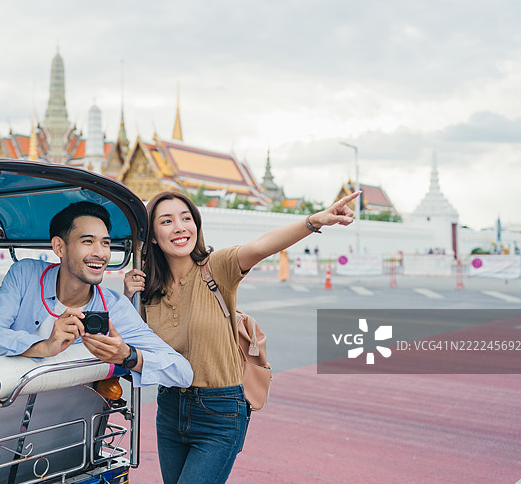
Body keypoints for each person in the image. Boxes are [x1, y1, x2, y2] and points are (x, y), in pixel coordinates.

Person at [123, 190, 360, 484]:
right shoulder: (148, 290)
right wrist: (129, 297)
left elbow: (262, 245)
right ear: (154, 236)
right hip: (170, 409)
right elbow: (137, 346)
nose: (180, 227)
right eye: (167, 221)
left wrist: (315, 220)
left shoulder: (217, 267)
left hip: (219, 412)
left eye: (186, 218)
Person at [0, 201, 193, 390]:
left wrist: (127, 355)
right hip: (1, 411)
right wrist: (45, 346)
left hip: (65, 424)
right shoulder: (26, 274)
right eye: (88, 241)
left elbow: (182, 372)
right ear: (59, 247)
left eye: (105, 243)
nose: (100, 253)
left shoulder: (115, 308)